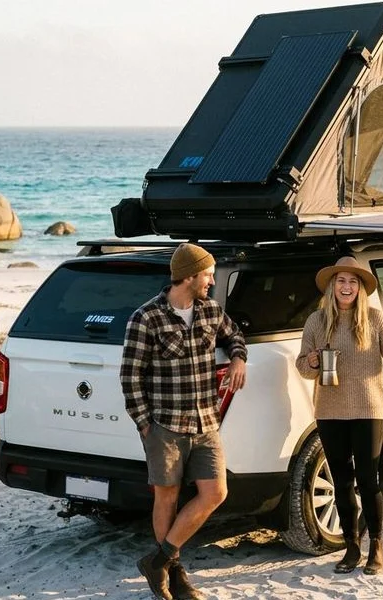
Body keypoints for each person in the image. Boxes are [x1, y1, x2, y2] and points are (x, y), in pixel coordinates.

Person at [121, 242, 247, 600]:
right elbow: (131, 377)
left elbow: (235, 335)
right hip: (165, 426)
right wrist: (146, 424)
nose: (212, 279)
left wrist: (238, 359)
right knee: (167, 499)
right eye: (207, 274)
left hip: (207, 423)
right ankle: (174, 574)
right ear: (189, 276)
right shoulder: (146, 317)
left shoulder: (210, 310)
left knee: (216, 493)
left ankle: (157, 560)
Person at [294, 256, 383, 575]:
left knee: (368, 481)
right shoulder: (316, 321)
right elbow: (302, 366)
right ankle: (352, 546)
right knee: (341, 482)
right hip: (329, 410)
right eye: (341, 281)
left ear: (361, 289)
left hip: (368, 409)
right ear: (332, 286)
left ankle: (377, 547)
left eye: (353, 282)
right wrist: (312, 362)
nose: (347, 287)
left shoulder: (373, 318)